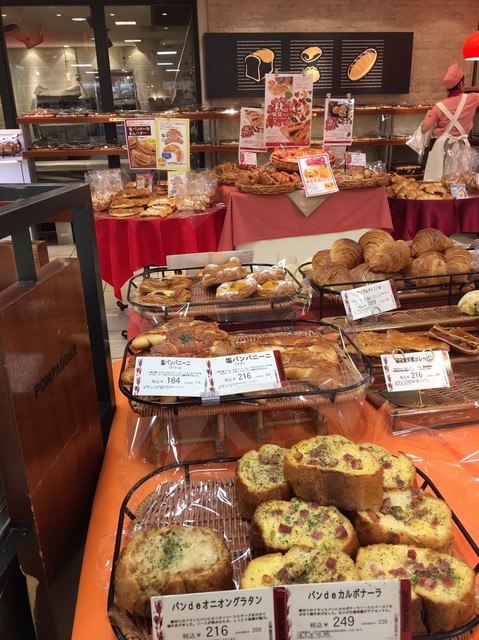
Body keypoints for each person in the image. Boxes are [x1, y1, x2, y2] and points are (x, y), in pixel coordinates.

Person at [421, 60, 479, 181]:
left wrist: (427, 115)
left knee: (439, 180)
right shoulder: (472, 99)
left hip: (442, 148)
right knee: (461, 181)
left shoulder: (438, 107)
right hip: (462, 147)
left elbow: (424, 129)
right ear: (461, 83)